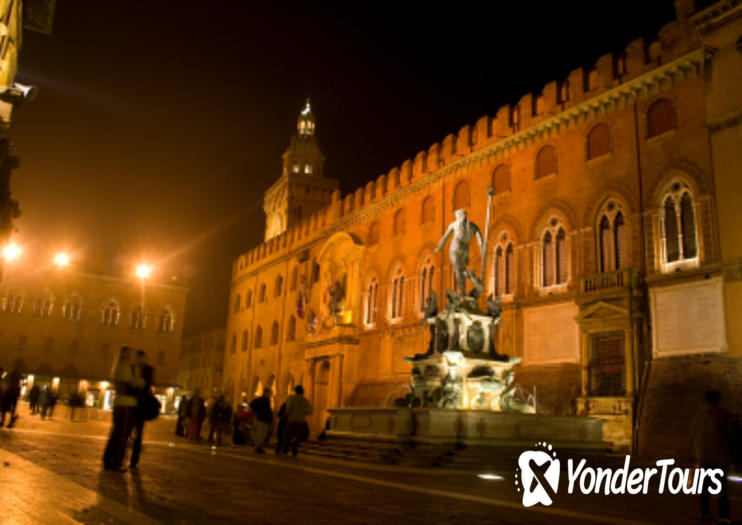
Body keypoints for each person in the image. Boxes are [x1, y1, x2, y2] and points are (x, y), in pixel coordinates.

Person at [692, 390, 732, 523]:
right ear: (718, 399)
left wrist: (697, 454)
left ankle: (704, 512)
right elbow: (731, 436)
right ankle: (724, 515)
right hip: (720, 457)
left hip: (704, 457)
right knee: (723, 489)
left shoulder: (699, 416)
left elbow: (693, 435)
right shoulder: (724, 415)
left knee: (705, 487)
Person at [102, 346, 144, 472]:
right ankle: (117, 462)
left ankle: (108, 459)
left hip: (118, 403)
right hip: (128, 404)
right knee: (122, 435)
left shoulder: (116, 367)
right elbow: (139, 383)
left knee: (116, 433)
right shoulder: (130, 368)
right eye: (129, 353)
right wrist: (137, 380)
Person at [434, 209, 483, 295]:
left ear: (458, 216)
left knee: (458, 270)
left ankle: (463, 293)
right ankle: (471, 277)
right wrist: (482, 248)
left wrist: (439, 247)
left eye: (456, 216)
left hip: (455, 246)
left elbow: (445, 237)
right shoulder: (472, 225)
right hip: (465, 248)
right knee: (463, 269)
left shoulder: (454, 224)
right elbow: (480, 239)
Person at [129, 350, 155, 470]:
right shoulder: (132, 368)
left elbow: (149, 384)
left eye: (142, 358)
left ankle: (134, 460)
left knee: (139, 433)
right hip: (131, 403)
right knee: (128, 431)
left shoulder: (149, 369)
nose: (140, 360)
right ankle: (125, 457)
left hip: (142, 405)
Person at [281, 385, 312, 457]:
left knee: (287, 435)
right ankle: (294, 452)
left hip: (292, 420)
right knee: (297, 437)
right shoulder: (305, 400)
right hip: (301, 421)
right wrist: (303, 413)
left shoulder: (291, 398)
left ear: (295, 391)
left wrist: (288, 415)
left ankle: (285, 450)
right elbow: (309, 410)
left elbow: (288, 407)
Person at [249, 388, 273, 453]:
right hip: (262, 419)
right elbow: (252, 404)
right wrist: (257, 411)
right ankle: (257, 447)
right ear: (266, 393)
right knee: (261, 433)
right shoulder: (262, 399)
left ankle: (258, 446)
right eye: (270, 393)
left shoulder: (266, 400)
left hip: (263, 418)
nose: (271, 395)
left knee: (262, 434)